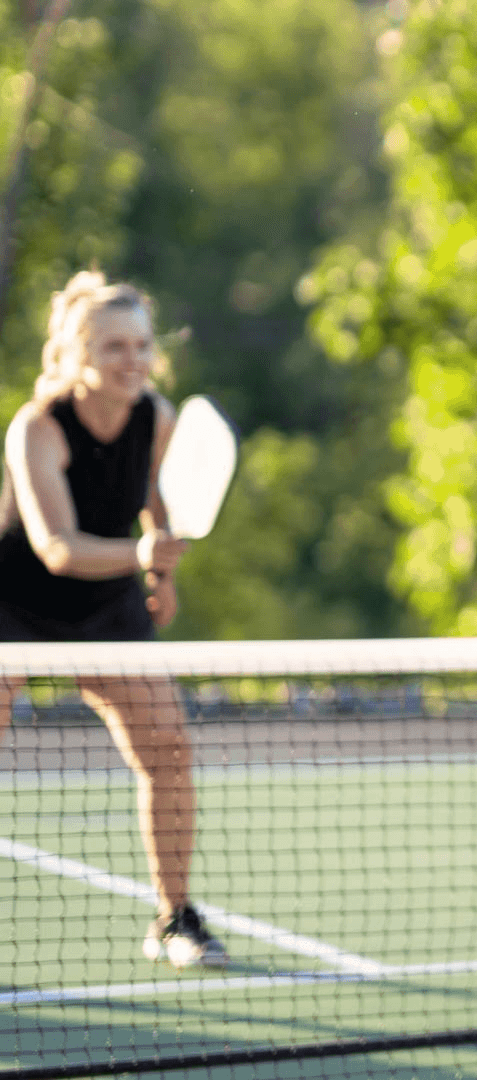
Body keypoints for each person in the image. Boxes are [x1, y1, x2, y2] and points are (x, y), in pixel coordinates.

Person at [0, 270, 226, 969]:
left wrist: (161, 574)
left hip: (109, 607)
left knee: (168, 750)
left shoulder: (156, 415)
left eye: (141, 346)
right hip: (15, 607)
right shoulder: (37, 427)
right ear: (74, 356)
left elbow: (160, 496)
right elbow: (57, 547)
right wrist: (142, 552)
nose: (132, 361)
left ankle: (175, 918)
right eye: (112, 348)